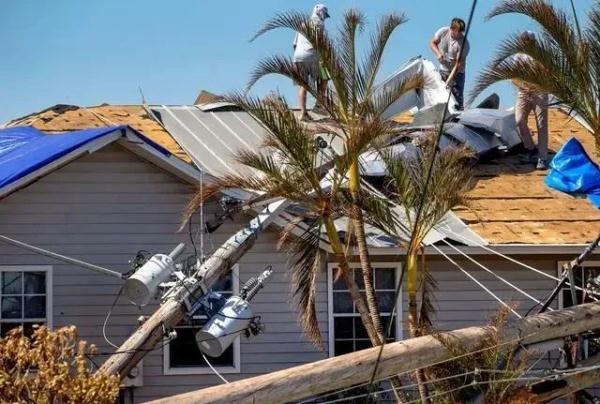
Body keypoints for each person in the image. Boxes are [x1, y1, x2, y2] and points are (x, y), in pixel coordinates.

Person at [513, 31, 549, 170]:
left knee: (541, 124)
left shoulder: (541, 55)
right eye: (523, 40)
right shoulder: (519, 56)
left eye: (527, 40)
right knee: (519, 120)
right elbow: (513, 76)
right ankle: (529, 148)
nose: (524, 42)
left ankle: (542, 157)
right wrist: (523, 86)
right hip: (523, 91)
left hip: (539, 92)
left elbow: (547, 73)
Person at [293, 4, 330, 121]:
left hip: (298, 57)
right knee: (325, 77)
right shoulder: (319, 24)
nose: (324, 17)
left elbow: (294, 44)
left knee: (303, 85)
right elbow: (320, 43)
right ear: (319, 12)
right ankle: (319, 104)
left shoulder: (302, 24)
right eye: (324, 14)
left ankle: (303, 113)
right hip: (312, 55)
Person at [430, 18, 470, 110]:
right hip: (443, 70)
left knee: (456, 100)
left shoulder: (464, 44)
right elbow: (432, 43)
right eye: (458, 32)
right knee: (440, 96)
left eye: (461, 32)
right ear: (452, 29)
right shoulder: (443, 32)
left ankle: (458, 114)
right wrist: (438, 54)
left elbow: (458, 65)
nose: (460, 34)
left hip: (457, 74)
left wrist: (448, 81)